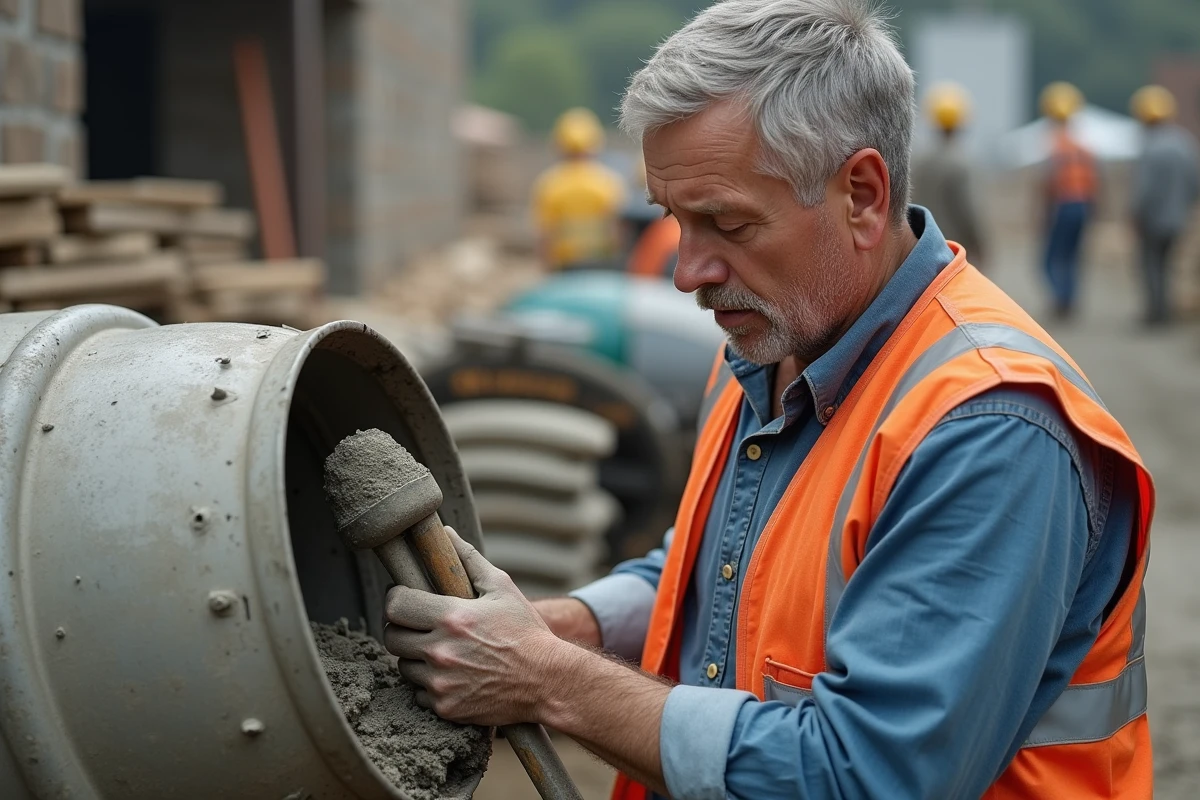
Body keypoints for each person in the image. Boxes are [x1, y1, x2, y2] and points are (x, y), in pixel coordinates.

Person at [383, 2, 1154, 798]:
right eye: (676, 220)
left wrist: (550, 680)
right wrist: (567, 627)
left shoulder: (991, 430)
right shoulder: (772, 349)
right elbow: (719, 569)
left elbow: (869, 775)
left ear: (862, 193)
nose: (687, 271)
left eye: (726, 223)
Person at [1130, 84, 1200, 326]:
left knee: (1151, 265)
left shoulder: (1149, 146)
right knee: (1167, 265)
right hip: (1177, 219)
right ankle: (1166, 310)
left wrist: (1136, 214)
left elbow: (1144, 190)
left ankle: (1156, 313)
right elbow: (1194, 183)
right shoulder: (1184, 143)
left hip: (1153, 220)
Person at [532, 108, 627, 271]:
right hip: (601, 266)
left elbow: (545, 237)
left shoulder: (549, 184)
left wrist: (546, 272)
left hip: (563, 268)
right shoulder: (608, 182)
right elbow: (617, 233)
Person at [1039, 81, 1098, 318]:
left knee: (1050, 258)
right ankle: (1069, 299)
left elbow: (1047, 184)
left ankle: (1061, 299)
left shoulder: (1055, 145)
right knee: (1072, 256)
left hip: (1062, 206)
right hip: (1083, 206)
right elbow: (1095, 182)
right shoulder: (1083, 146)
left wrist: (1043, 212)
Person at [910, 82, 986, 266]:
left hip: (921, 248)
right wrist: (979, 244)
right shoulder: (959, 164)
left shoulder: (917, 160)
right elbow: (967, 210)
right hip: (952, 251)